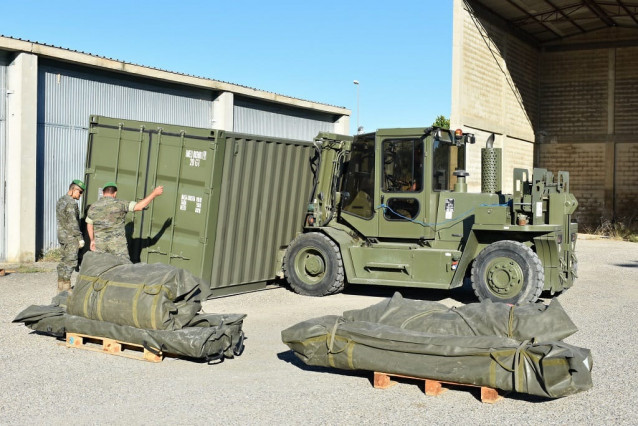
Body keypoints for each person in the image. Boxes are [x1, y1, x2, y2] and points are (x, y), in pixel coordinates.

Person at [86, 182, 164, 260]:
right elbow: (139, 206)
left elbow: (90, 224)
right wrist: (154, 193)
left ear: (103, 193)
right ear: (115, 193)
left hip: (100, 245)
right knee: (121, 268)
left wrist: (92, 240)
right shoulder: (121, 204)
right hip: (117, 246)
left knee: (101, 267)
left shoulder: (93, 207)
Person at [56, 179, 86, 293]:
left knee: (64, 260)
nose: (81, 195)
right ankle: (66, 287)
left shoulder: (61, 200)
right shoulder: (71, 203)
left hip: (62, 235)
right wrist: (80, 238)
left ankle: (60, 285)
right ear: (74, 189)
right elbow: (73, 222)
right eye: (80, 192)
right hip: (70, 237)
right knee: (71, 261)